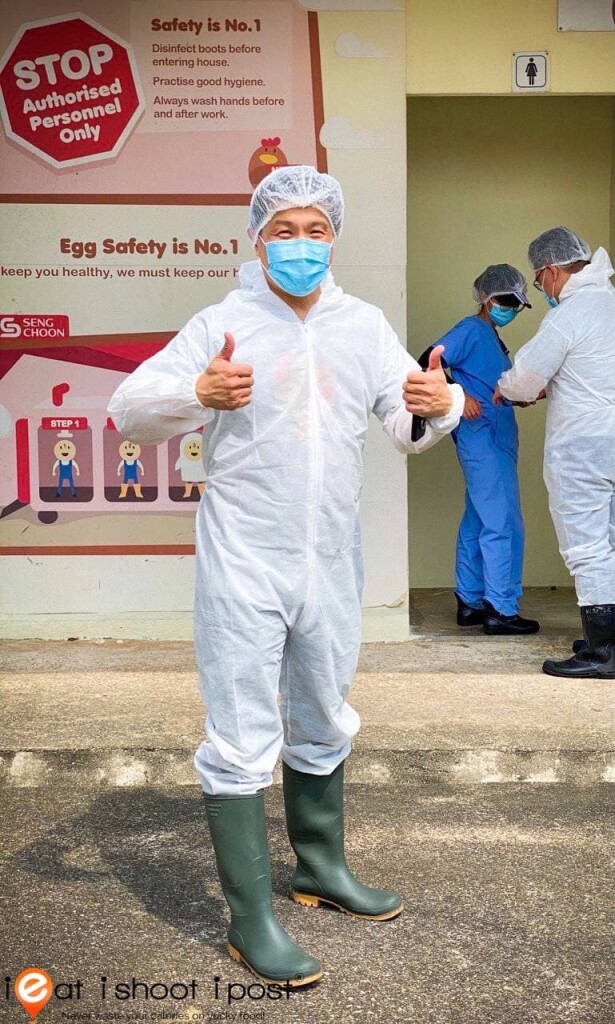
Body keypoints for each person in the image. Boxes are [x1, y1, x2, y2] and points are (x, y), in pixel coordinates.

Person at [107, 166, 464, 987]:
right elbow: (130, 409)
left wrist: (432, 400)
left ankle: (319, 868)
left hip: (330, 558)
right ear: (256, 238)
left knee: (324, 711)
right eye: (283, 231)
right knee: (239, 732)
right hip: (244, 557)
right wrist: (196, 392)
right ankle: (250, 920)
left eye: (314, 230)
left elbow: (407, 428)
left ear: (332, 237)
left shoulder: (361, 325)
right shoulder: (223, 322)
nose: (300, 245)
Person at [495, 227, 615, 679]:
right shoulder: (611, 303)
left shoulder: (569, 315)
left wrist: (508, 391)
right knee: (613, 540)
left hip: (584, 446)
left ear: (549, 271)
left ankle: (604, 652)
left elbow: (524, 378)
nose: (541, 288)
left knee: (587, 547)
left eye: (538, 279)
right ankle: (611, 639)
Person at [418, 265, 539, 635]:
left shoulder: (491, 336)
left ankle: (470, 601)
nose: (511, 309)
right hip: (482, 438)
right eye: (505, 301)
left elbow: (488, 383)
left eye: (517, 304)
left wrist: (514, 398)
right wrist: (459, 394)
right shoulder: (470, 330)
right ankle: (501, 608)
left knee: (478, 519)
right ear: (486, 299)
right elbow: (427, 362)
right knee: (503, 522)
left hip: (494, 438)